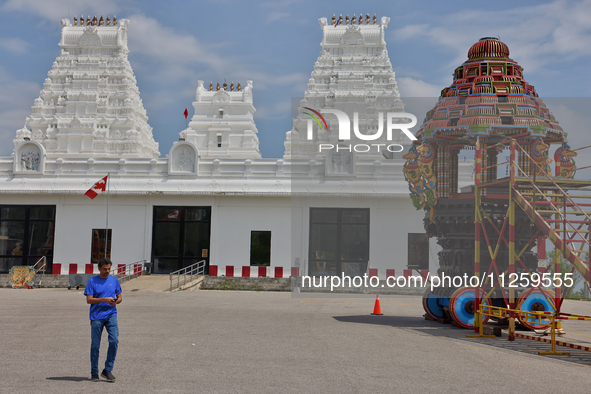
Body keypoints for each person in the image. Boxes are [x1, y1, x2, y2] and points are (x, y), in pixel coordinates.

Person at [84, 258, 122, 382]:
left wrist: (116, 301)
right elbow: (89, 300)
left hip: (111, 314)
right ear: (99, 268)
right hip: (96, 317)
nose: (107, 271)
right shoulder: (92, 281)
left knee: (114, 340)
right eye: (105, 269)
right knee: (95, 345)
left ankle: (107, 370)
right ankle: (94, 372)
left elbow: (120, 297)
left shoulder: (114, 280)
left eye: (109, 268)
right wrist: (104, 299)